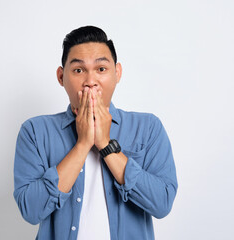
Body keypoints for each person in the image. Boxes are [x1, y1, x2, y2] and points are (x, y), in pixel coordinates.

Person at [13, 26, 178, 240]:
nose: (91, 81)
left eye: (101, 69)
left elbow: (162, 204)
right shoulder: (35, 131)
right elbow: (31, 211)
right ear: (61, 76)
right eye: (79, 70)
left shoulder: (148, 127)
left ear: (117, 73)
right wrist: (82, 145)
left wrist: (105, 144)